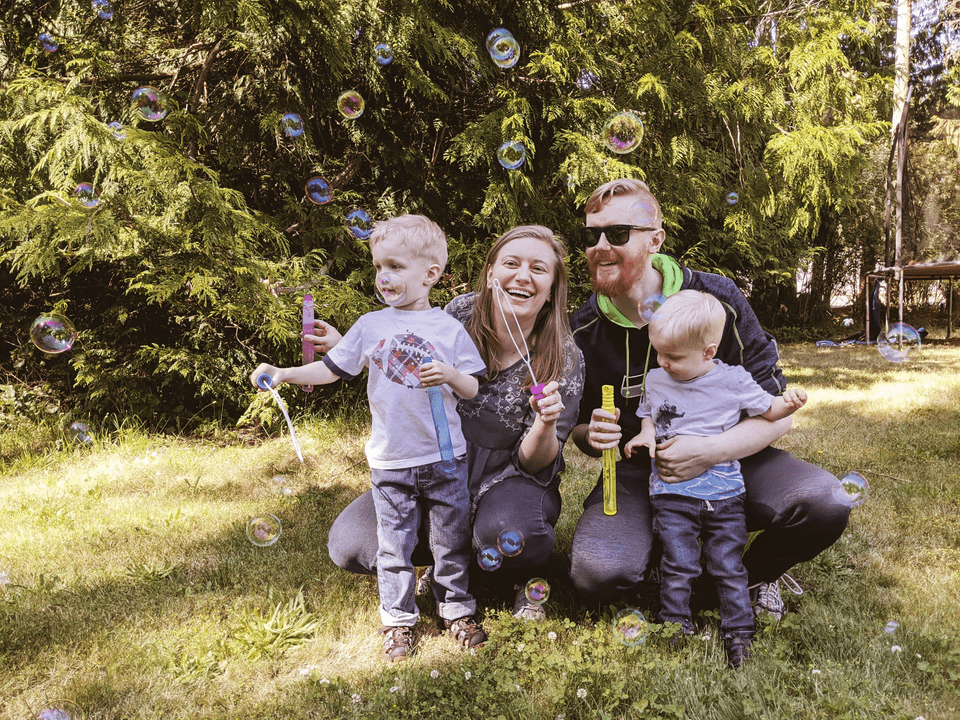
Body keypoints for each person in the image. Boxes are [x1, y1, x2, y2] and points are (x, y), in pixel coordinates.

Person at [568, 178, 850, 622]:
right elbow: (582, 430)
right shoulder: (582, 329)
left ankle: (749, 576)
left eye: (618, 234)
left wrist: (709, 452)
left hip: (733, 462)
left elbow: (777, 413)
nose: (601, 246)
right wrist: (592, 433)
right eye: (591, 235)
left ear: (656, 239)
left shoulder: (717, 300)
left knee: (825, 501)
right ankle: (684, 561)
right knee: (597, 573)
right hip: (641, 473)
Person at [250, 214, 489, 662]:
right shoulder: (369, 325)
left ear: (431, 274)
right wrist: (284, 373)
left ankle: (456, 608)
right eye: (379, 266)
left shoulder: (449, 329)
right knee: (393, 541)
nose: (384, 276)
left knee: (449, 539)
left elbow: (474, 388)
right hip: (391, 459)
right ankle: (398, 621)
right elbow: (332, 368)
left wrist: (452, 375)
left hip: (445, 458)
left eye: (396, 266)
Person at [322, 225, 584, 622]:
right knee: (350, 543)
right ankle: (446, 564)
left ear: (552, 288)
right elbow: (409, 370)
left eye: (539, 269)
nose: (523, 276)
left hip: (509, 476)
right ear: (491, 273)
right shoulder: (459, 313)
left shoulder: (563, 354)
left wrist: (545, 423)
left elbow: (535, 463)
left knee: (507, 536)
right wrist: (353, 348)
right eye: (511, 263)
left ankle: (515, 574)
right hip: (437, 465)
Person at [622, 289, 808, 667]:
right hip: (671, 493)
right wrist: (644, 434)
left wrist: (787, 403)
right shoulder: (657, 378)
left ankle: (739, 631)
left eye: (673, 356)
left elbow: (768, 410)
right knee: (679, 563)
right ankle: (675, 624)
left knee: (727, 564)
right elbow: (649, 414)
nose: (663, 363)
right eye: (658, 352)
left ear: (708, 352)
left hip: (724, 494)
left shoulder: (733, 380)